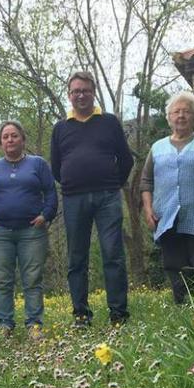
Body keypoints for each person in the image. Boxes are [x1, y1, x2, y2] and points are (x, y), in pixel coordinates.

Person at [51, 71, 134, 327]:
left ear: (93, 92)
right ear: (69, 95)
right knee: (76, 258)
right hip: (73, 199)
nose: (81, 95)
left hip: (108, 196)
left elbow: (126, 159)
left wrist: (112, 182)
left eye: (85, 90)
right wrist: (73, 181)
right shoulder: (60, 128)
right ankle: (81, 314)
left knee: (113, 254)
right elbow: (56, 167)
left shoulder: (109, 122)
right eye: (76, 91)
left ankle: (118, 314)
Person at [141, 92, 194, 304]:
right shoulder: (157, 147)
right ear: (169, 117)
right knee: (175, 268)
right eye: (176, 112)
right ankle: (183, 311)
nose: (181, 116)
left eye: (187, 112)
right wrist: (148, 209)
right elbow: (146, 181)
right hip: (167, 218)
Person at [0, 121, 58, 339]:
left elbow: (51, 193)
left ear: (23, 139)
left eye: (14, 136)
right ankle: (5, 325)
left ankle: (34, 325)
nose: (10, 140)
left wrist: (45, 215)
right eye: (5, 137)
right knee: (3, 281)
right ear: (0, 142)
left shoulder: (38, 164)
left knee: (32, 279)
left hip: (32, 232)